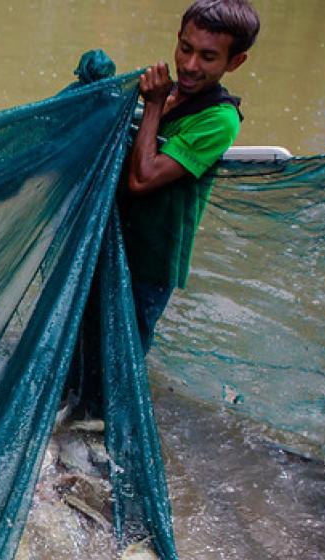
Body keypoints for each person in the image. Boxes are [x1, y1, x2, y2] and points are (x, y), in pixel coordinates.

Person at [120, 0, 259, 352]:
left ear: (235, 61)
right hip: (114, 238)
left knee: (124, 349)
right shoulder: (168, 91)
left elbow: (142, 178)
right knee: (84, 340)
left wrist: (152, 106)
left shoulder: (218, 120)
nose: (189, 65)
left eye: (208, 57)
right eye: (185, 48)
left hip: (151, 259)